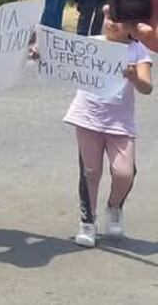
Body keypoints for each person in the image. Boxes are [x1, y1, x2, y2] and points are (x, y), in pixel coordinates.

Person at [61, 18, 152, 248]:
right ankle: (87, 222)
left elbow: (147, 87)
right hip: (87, 117)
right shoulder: (92, 43)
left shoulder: (137, 51)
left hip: (120, 123)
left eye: (121, 21)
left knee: (124, 172)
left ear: (133, 29)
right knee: (90, 171)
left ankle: (114, 206)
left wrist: (134, 77)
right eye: (110, 17)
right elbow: (61, 62)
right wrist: (39, 54)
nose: (112, 23)